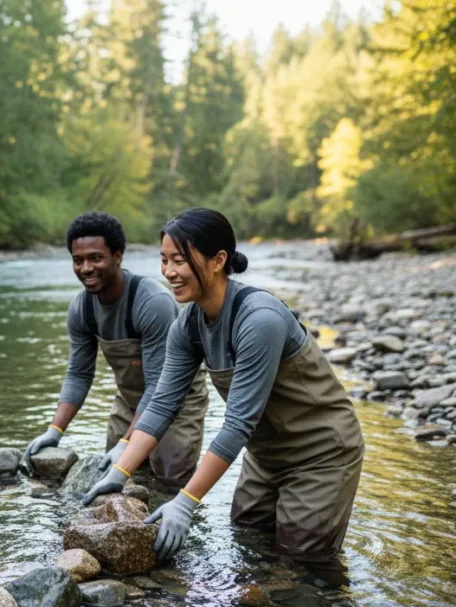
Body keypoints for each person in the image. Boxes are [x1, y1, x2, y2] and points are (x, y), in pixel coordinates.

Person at [84, 208, 364, 567]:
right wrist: (119, 472)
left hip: (321, 455)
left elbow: (237, 424)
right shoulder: (187, 324)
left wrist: (186, 502)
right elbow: (162, 403)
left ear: (218, 261)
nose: (169, 272)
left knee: (303, 562)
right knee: (247, 540)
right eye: (164, 260)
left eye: (180, 260)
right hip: (264, 457)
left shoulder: (260, 319)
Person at [23, 211, 208, 487]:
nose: (86, 268)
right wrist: (54, 430)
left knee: (169, 485)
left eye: (95, 258)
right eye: (78, 260)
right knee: (114, 481)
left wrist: (126, 442)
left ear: (118, 256)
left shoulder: (152, 303)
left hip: (177, 401)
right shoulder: (81, 309)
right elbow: (78, 374)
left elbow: (159, 384)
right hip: (130, 400)